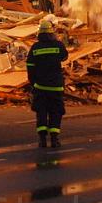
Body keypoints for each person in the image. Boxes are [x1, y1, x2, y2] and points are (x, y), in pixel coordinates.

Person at [26, 20, 69, 148]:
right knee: (56, 111)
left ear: (39, 33)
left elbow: (30, 66)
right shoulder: (58, 45)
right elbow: (64, 57)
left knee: (41, 111)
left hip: (40, 86)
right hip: (56, 86)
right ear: (52, 33)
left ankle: (42, 139)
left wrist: (33, 83)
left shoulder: (35, 47)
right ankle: (55, 139)